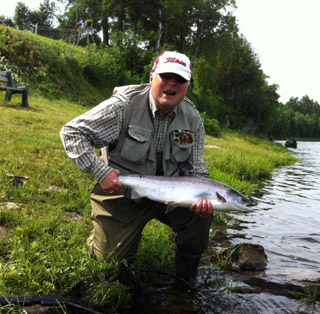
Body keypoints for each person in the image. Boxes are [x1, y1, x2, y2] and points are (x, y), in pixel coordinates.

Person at [60, 51, 213, 287]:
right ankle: (99, 239)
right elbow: (72, 132)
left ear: (187, 86)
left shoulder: (192, 118)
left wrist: (201, 194)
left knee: (203, 213)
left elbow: (197, 169)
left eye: (180, 79)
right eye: (166, 76)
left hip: (172, 198)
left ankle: (186, 278)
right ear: (152, 76)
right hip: (123, 194)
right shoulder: (123, 107)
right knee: (110, 267)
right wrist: (101, 172)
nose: (172, 82)